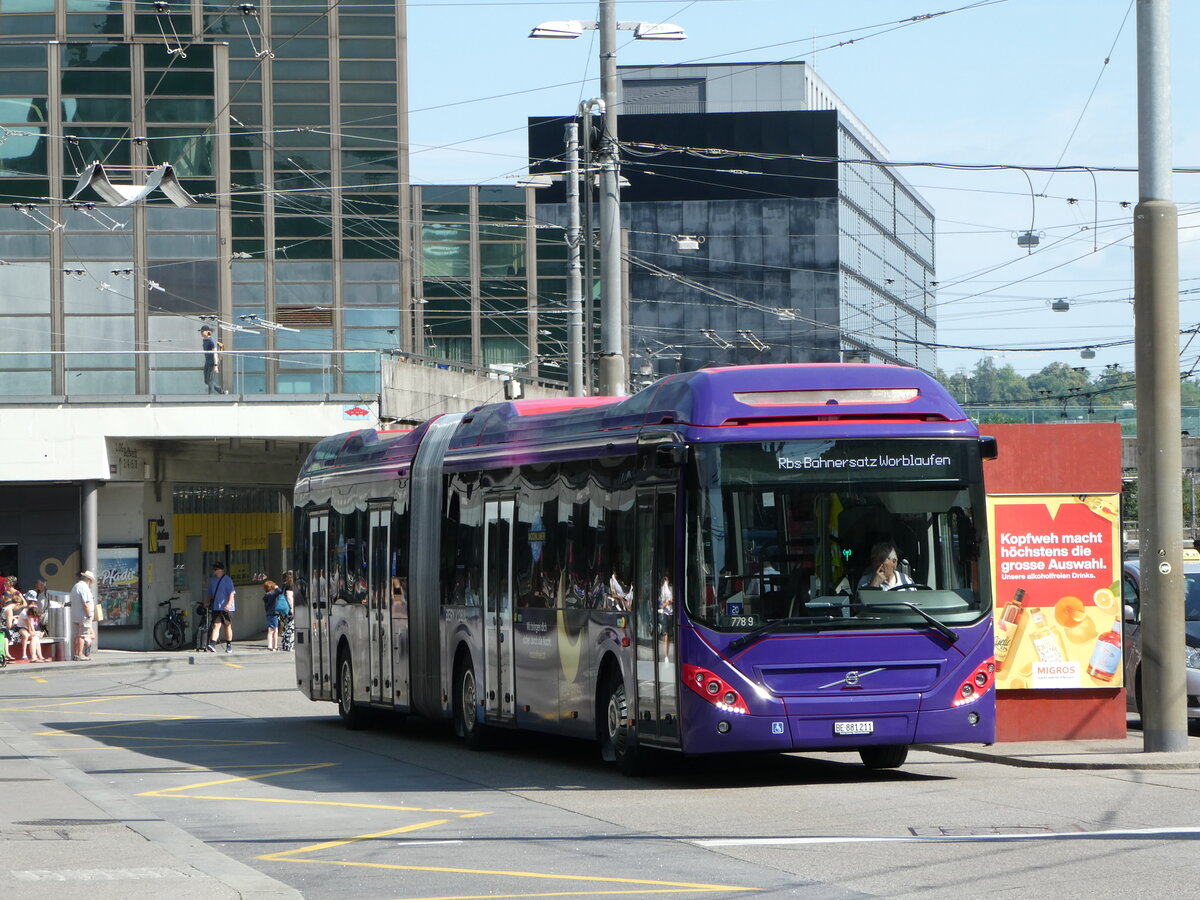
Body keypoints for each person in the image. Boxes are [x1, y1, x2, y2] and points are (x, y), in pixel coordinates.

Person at [206, 561, 236, 653]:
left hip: (226, 608)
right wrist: (206, 602)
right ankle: (213, 644)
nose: (214, 571)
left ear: (220, 570)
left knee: (227, 626)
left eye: (215, 569)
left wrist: (229, 604)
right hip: (216, 606)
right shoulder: (213, 581)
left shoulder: (227, 580)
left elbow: (231, 593)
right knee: (216, 625)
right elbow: (210, 593)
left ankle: (229, 645)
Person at [69, 570, 96, 660]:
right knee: (82, 635)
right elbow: (85, 603)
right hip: (83, 615)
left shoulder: (75, 586)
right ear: (88, 580)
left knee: (76, 635)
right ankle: (80, 654)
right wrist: (89, 615)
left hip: (75, 614)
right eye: (91, 581)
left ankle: (75, 654)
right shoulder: (84, 587)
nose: (91, 583)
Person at [200, 325, 226, 394]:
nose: (201, 333)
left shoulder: (211, 340)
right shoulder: (205, 340)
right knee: (206, 380)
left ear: (207, 331)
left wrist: (216, 365)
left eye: (202, 331)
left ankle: (211, 394)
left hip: (213, 362)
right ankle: (221, 391)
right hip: (208, 361)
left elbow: (215, 353)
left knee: (209, 380)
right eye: (201, 331)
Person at [262, 579, 284, 651]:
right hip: (273, 613)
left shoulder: (266, 596)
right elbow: (279, 591)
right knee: (272, 630)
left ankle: (274, 646)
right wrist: (276, 587)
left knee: (274, 629)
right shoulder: (271, 595)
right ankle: (271, 646)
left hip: (269, 613)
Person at [657, 575, 674, 661]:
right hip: (665, 613)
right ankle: (666, 655)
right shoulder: (663, 589)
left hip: (671, 613)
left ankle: (667, 653)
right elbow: (662, 604)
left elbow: (673, 599)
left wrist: (671, 602)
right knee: (666, 634)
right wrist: (668, 603)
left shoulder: (671, 588)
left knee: (670, 634)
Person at [280, 570, 297, 652]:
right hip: (289, 609)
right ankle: (289, 645)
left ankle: (285, 645)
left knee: (286, 627)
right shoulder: (290, 585)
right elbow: (290, 597)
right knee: (291, 627)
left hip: (283, 610)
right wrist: (292, 608)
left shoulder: (284, 585)